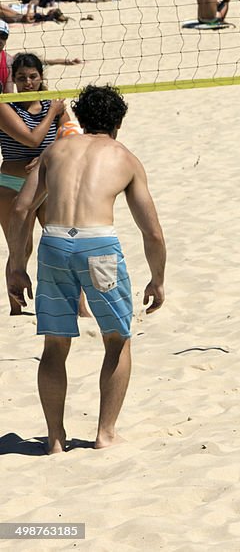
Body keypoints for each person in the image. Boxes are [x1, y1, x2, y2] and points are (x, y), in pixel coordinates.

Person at [6, 85, 165, 454]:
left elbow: (20, 210)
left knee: (55, 345)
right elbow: (152, 232)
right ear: (118, 123)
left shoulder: (54, 151)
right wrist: (158, 279)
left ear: (79, 117)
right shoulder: (124, 157)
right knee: (117, 339)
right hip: (98, 246)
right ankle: (105, 433)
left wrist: (16, 265)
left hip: (55, 244)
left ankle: (55, 440)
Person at [0, 53, 68, 315]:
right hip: (12, 183)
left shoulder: (54, 102)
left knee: (62, 244)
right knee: (20, 248)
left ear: (41, 77)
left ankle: (80, 307)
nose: (27, 82)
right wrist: (52, 112)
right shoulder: (6, 105)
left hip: (47, 182)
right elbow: (30, 138)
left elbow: (69, 136)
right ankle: (16, 310)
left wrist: (45, 155)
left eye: (33, 77)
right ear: (13, 81)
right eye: (21, 78)